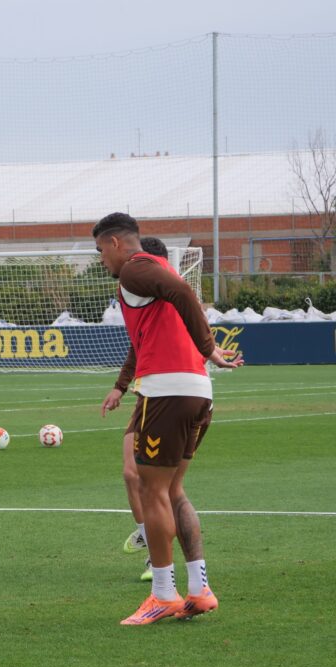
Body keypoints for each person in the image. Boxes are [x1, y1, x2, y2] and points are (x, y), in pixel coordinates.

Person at [93, 213, 242, 625]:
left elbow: (183, 292)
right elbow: (148, 332)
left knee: (151, 489)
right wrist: (122, 385)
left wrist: (208, 347)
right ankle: (199, 589)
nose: (101, 259)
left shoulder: (134, 269)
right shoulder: (158, 269)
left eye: (101, 250)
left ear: (117, 243)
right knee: (174, 490)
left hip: (167, 390)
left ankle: (162, 594)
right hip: (197, 390)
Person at [102, 236, 171, 583]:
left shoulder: (170, 301)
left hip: (172, 396)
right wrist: (120, 386)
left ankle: (160, 564)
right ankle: (147, 535)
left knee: (163, 487)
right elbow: (137, 345)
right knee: (131, 474)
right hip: (146, 395)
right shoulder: (140, 301)